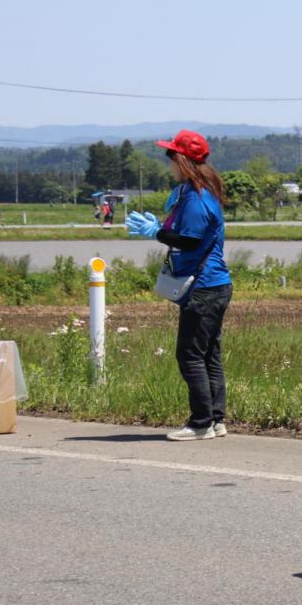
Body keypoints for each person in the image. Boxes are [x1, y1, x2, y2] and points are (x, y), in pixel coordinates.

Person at [126, 129, 232, 442]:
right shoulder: (197, 191)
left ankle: (200, 423)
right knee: (208, 353)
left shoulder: (198, 198)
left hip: (204, 288)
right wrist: (160, 228)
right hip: (213, 285)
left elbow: (190, 240)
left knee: (189, 354)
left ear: (182, 160)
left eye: (171, 155)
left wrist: (156, 233)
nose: (168, 161)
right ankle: (215, 419)